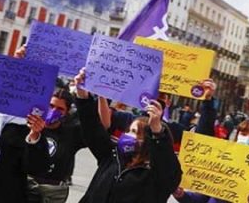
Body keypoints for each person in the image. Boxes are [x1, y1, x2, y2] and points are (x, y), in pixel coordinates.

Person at [73, 67, 180, 203]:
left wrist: (157, 131)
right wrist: (83, 96)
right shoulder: (112, 157)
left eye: (134, 132)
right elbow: (92, 129)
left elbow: (169, 169)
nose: (128, 136)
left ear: (147, 141)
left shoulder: (157, 175)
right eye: (128, 131)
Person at [176, 118, 249, 203]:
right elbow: (201, 199)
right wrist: (181, 195)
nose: (247, 139)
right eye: (243, 134)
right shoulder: (220, 168)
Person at [25, 88, 86, 203]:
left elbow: (100, 126)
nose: (53, 111)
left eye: (60, 109)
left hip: (53, 194)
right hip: (25, 187)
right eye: (51, 106)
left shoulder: (72, 133)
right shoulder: (27, 126)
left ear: (67, 112)